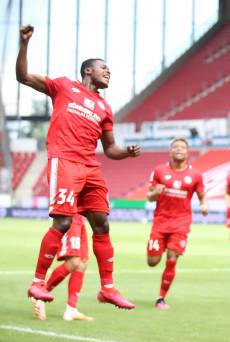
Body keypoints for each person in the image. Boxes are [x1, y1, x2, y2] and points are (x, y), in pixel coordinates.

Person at [17, 24, 139, 309]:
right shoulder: (63, 86)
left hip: (90, 166)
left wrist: (128, 153)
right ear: (88, 71)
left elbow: (110, 149)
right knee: (62, 221)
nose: (108, 72)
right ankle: (37, 281)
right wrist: (24, 44)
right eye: (103, 68)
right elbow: (22, 76)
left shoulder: (104, 108)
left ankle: (107, 288)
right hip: (65, 160)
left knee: (102, 222)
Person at [146, 137, 208, 309]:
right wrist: (155, 193)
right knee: (152, 261)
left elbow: (202, 194)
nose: (179, 149)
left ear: (187, 152)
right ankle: (157, 252)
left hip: (181, 222)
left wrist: (204, 204)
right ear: (170, 151)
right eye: (176, 146)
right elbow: (149, 197)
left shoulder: (195, 174)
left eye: (182, 147)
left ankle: (160, 298)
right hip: (160, 221)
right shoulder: (159, 171)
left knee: (172, 259)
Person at [31, 215, 93, 321]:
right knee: (73, 262)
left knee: (82, 262)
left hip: (80, 217)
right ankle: (40, 295)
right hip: (69, 215)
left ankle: (71, 309)